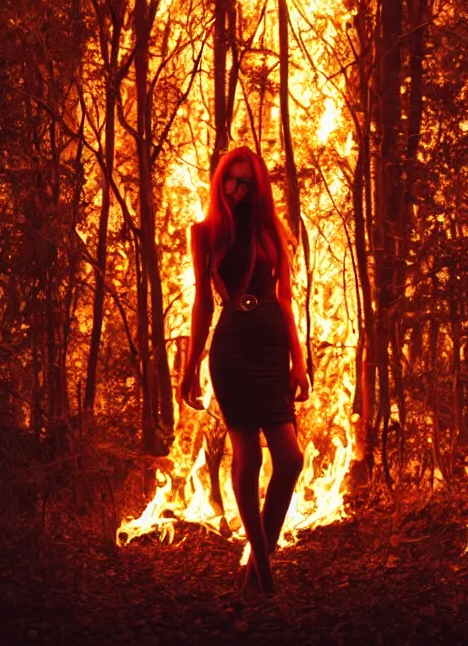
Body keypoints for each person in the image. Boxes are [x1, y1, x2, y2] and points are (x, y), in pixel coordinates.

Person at [179, 146, 311, 596]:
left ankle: (259, 559)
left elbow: (288, 298)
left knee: (290, 458)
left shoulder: (272, 231)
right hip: (232, 345)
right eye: (228, 180)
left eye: (243, 183)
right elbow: (201, 303)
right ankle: (264, 574)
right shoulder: (205, 233)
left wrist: (299, 359)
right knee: (248, 456)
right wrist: (190, 365)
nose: (233, 189)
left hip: (272, 345)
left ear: (258, 189)